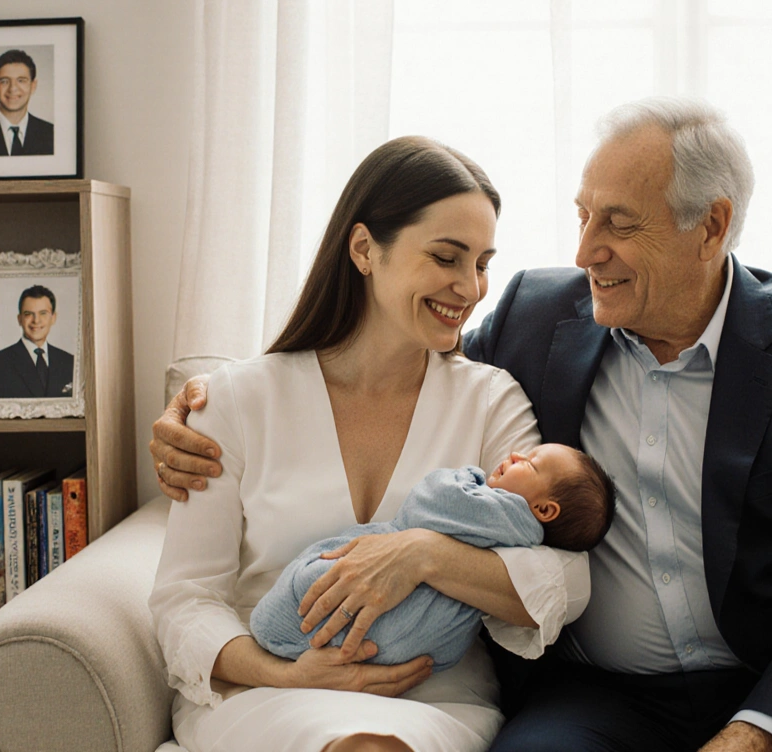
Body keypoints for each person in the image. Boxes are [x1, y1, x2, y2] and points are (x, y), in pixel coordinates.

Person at [150, 97, 772, 752]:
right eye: (582, 216)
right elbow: (388, 352)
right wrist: (198, 409)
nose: (583, 252)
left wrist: (760, 731)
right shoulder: (536, 324)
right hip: (609, 697)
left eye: (618, 223)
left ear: (711, 227)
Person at [148, 136, 589, 752]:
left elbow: (561, 577)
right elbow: (184, 597)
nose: (470, 286)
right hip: (265, 690)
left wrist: (421, 554)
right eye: (446, 257)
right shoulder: (236, 401)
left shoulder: (490, 401)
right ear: (363, 249)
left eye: (483, 263)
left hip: (432, 697)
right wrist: (285, 672)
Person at [251, 444, 616, 672]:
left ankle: (288, 634)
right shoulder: (522, 543)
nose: (516, 454)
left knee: (312, 583)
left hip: (399, 621)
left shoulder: (498, 513)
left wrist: (467, 477)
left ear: (544, 510)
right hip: (424, 655)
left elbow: (429, 501)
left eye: (531, 463)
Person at [0, 285, 74, 398]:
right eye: (28, 314)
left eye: (43, 313)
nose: (36, 320)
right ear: (19, 319)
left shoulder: (70, 362)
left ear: (53, 318)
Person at [0, 49, 55, 157]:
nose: (13, 89)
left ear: (33, 86)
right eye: (4, 81)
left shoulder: (51, 134)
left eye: (21, 80)